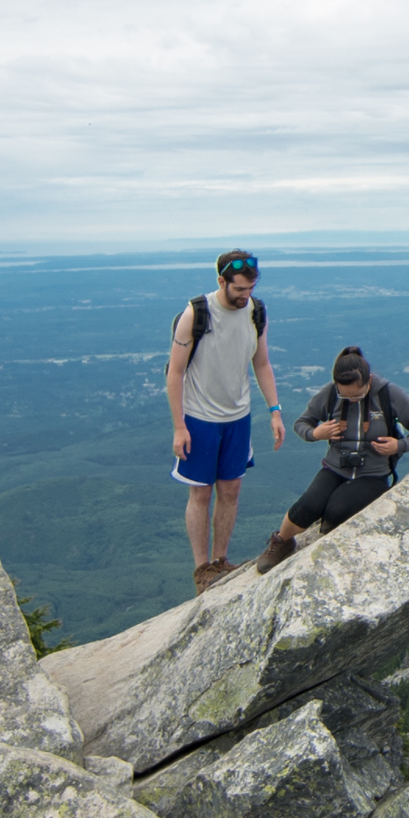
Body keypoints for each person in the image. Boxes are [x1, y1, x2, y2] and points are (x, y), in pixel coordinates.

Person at [249, 345, 409, 574]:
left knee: (336, 512)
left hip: (373, 473)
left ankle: (329, 525)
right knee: (307, 506)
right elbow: (301, 423)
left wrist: (400, 445)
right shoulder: (330, 393)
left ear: (369, 380)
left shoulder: (388, 394)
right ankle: (282, 542)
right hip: (335, 467)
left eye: (357, 395)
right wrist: (317, 433)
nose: (351, 400)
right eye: (345, 395)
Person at [168, 249, 285, 591]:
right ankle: (201, 569)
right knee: (201, 494)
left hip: (238, 416)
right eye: (238, 290)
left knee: (231, 489)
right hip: (200, 417)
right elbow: (175, 373)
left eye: (249, 289)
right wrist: (179, 426)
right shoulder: (196, 313)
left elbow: (261, 363)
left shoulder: (256, 312)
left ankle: (220, 560)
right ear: (221, 281)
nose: (244, 296)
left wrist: (274, 410)